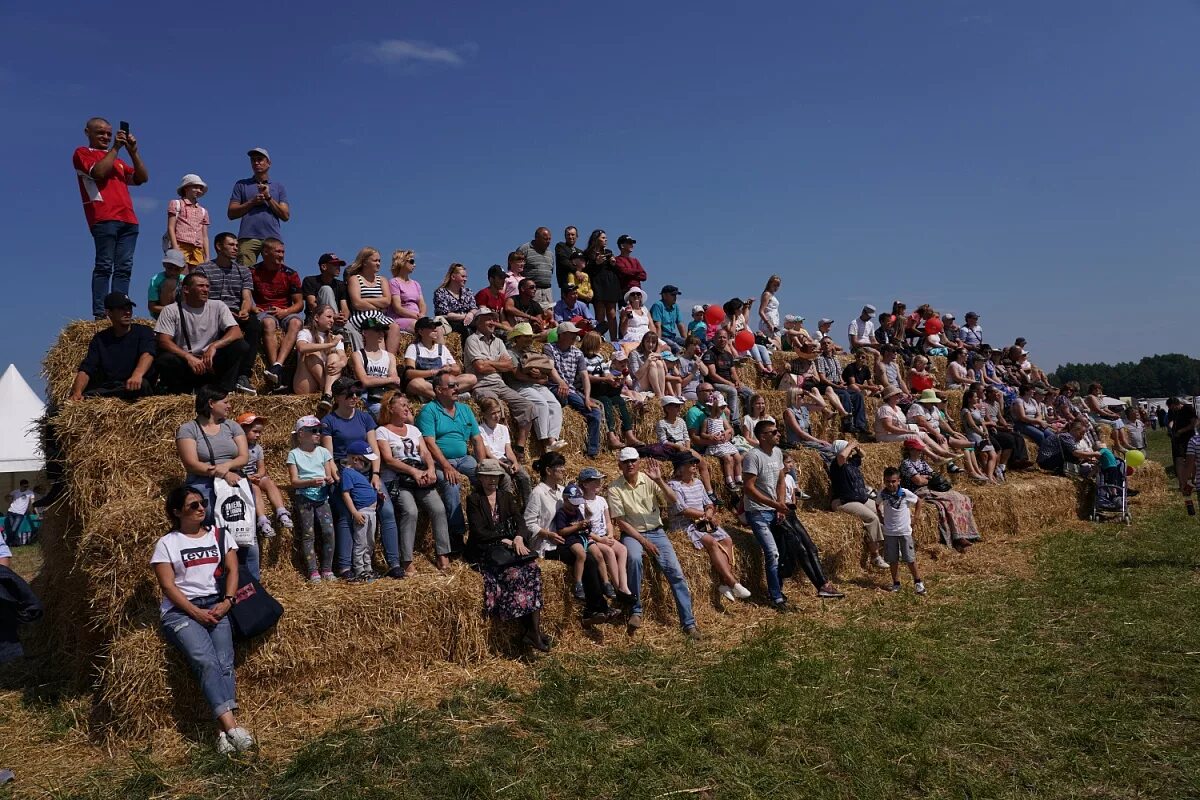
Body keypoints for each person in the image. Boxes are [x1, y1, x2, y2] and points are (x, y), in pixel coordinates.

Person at [152, 485, 254, 754]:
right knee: (205, 660)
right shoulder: (167, 544)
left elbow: (233, 570)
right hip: (180, 611)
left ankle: (222, 734)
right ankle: (233, 728)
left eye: (203, 503)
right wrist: (194, 612)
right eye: (193, 505)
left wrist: (228, 601)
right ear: (177, 512)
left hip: (217, 605)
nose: (201, 509)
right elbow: (168, 586)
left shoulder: (220, 535)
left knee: (224, 664)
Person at [608, 450, 700, 638]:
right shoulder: (614, 488)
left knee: (675, 572)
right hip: (632, 534)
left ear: (638, 462)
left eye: (633, 460)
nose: (630, 464)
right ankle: (636, 610)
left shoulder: (650, 480)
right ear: (620, 465)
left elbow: (673, 500)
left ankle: (689, 623)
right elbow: (621, 522)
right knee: (634, 559)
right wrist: (644, 541)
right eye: (626, 462)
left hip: (657, 532)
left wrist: (659, 480)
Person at [320, 377, 405, 580]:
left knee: (387, 511)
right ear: (337, 397)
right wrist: (337, 477)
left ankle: (394, 563)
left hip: (367, 472)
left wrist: (375, 474)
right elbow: (328, 455)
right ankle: (345, 567)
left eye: (357, 394)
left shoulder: (365, 418)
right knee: (345, 514)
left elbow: (374, 449)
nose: (355, 397)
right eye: (349, 394)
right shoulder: (329, 421)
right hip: (345, 472)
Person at [523, 452, 620, 627]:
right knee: (587, 559)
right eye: (559, 467)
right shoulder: (538, 493)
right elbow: (528, 523)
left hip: (568, 538)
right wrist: (548, 534)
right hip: (548, 544)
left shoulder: (563, 491)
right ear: (548, 471)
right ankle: (595, 609)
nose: (563, 470)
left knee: (593, 556)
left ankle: (599, 606)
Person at [467, 459, 551, 651]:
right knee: (515, 575)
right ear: (480, 478)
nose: (492, 480)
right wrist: (505, 538)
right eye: (488, 476)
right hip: (486, 550)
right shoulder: (474, 499)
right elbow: (478, 531)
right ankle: (532, 632)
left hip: (508, 548)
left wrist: (519, 537)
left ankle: (534, 631)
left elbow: (520, 520)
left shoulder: (505, 496)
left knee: (533, 570)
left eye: (496, 477)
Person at [74, 117, 149, 320]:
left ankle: (120, 309)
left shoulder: (118, 161)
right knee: (104, 265)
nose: (106, 136)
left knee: (124, 268)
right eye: (100, 132)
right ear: (87, 132)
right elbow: (98, 173)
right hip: (104, 217)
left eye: (108, 133)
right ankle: (101, 313)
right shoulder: (82, 153)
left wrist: (133, 151)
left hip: (128, 219)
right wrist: (116, 148)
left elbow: (142, 178)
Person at [376, 392, 452, 574]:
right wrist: (413, 472)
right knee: (410, 511)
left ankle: (442, 553)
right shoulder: (382, 431)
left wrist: (430, 469)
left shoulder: (413, 430)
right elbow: (389, 459)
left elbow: (425, 452)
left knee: (438, 508)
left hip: (420, 475)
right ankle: (406, 559)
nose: (407, 408)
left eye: (407, 404)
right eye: (403, 405)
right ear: (390, 408)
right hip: (399, 479)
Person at [661, 452, 749, 602]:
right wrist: (705, 514)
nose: (695, 465)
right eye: (691, 463)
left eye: (695, 463)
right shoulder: (673, 485)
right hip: (685, 524)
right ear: (680, 468)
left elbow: (708, 502)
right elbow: (683, 510)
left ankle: (724, 584)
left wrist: (709, 511)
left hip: (702, 521)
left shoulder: (698, 483)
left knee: (727, 540)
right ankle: (732, 581)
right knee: (711, 542)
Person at [415, 371, 487, 551]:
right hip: (440, 461)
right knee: (452, 483)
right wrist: (446, 466)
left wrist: (483, 465)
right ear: (439, 390)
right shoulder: (429, 411)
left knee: (490, 479)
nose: (457, 389)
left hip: (464, 459)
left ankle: (488, 526)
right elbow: (429, 443)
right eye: (452, 386)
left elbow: (477, 439)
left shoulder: (465, 409)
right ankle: (456, 535)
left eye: (457, 385)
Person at [154, 273, 251, 394]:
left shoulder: (218, 306)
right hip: (186, 363)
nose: (206, 290)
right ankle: (179, 392)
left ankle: (224, 391)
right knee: (166, 359)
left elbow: (236, 332)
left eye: (207, 286)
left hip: (210, 362)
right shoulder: (171, 310)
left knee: (240, 346)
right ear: (186, 289)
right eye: (200, 286)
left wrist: (214, 346)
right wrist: (188, 357)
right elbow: (163, 340)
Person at [175, 386, 249, 535]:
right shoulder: (188, 429)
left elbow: (244, 457)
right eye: (225, 402)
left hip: (235, 477)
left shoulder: (232, 426)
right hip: (203, 480)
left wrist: (227, 466)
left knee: (246, 518)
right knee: (207, 509)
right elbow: (191, 464)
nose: (229, 406)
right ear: (211, 403)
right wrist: (224, 473)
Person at [193, 233, 259, 394]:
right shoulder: (204, 269)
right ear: (219, 247)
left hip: (236, 312)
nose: (236, 248)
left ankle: (244, 375)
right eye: (231, 245)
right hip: (212, 312)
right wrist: (223, 311)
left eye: (237, 245)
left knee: (255, 325)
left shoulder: (243, 271)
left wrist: (244, 310)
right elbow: (200, 297)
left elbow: (246, 297)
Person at [465, 309, 535, 457]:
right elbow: (480, 367)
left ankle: (519, 448)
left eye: (493, 319)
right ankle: (498, 452)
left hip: (500, 384)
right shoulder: (472, 340)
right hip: (482, 384)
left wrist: (489, 362)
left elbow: (509, 365)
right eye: (488, 319)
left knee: (528, 406)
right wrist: (498, 363)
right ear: (478, 322)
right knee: (497, 408)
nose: (492, 322)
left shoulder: (498, 342)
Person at [741, 420, 793, 611]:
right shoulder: (753, 456)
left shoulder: (778, 452)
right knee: (772, 553)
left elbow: (781, 481)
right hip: (757, 511)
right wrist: (774, 504)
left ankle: (778, 589)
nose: (778, 434)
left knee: (782, 551)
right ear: (763, 436)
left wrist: (780, 506)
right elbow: (748, 488)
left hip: (773, 509)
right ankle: (775, 596)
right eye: (774, 432)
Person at [69, 292, 156, 401]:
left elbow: (147, 354)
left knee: (141, 385)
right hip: (111, 388)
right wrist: (77, 392)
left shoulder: (144, 331)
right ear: (108, 312)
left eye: (129, 308)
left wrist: (137, 374)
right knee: (84, 398)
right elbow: (86, 369)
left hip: (135, 386)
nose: (128, 312)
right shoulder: (100, 339)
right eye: (121, 309)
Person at [899, 438, 982, 551]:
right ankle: (958, 537)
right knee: (949, 502)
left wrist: (926, 478)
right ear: (910, 450)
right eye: (917, 449)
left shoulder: (922, 462)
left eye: (920, 449)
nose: (920, 451)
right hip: (918, 491)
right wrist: (927, 478)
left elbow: (933, 475)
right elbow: (918, 481)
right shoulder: (906, 463)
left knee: (962, 498)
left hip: (931, 487)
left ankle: (968, 532)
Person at [286, 415, 337, 582]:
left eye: (319, 431)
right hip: (304, 498)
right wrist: (310, 482)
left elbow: (329, 474)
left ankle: (327, 569)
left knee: (328, 532)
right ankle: (313, 571)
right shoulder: (294, 454)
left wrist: (329, 479)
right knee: (309, 534)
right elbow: (294, 481)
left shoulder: (323, 452)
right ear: (301, 434)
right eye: (314, 430)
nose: (318, 434)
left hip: (322, 497)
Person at [544, 321, 604, 458]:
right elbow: (550, 368)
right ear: (562, 335)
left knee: (595, 412)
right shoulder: (549, 348)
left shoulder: (577, 353)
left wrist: (587, 398)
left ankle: (592, 451)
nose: (575, 336)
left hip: (570, 390)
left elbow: (585, 377)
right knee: (562, 399)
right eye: (571, 334)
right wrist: (560, 382)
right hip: (553, 386)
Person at [250, 238, 304, 387]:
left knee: (296, 322)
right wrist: (252, 308)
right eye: (278, 251)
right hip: (264, 311)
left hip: (285, 310)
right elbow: (245, 296)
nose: (281, 255)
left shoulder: (290, 274)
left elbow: (299, 304)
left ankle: (277, 366)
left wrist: (285, 311)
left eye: (283, 252)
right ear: (265, 252)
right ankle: (275, 371)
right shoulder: (253, 272)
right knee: (268, 323)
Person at [506, 323, 567, 453]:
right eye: (526, 336)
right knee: (541, 403)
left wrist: (540, 374)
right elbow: (517, 375)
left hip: (536, 385)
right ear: (517, 338)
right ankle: (545, 442)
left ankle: (553, 440)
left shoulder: (533, 352)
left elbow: (546, 369)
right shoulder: (510, 353)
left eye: (530, 336)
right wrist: (538, 379)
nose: (529, 339)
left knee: (555, 405)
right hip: (519, 386)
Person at [829, 439, 888, 570]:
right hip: (844, 501)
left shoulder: (851, 463)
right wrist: (851, 445)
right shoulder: (836, 465)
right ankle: (875, 556)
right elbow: (842, 456)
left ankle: (889, 548)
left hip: (861, 498)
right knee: (872, 518)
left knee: (884, 512)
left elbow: (863, 455)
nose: (851, 451)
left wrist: (857, 448)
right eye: (847, 448)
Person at [227, 147, 289, 267]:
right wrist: (252, 202)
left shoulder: (278, 187)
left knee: (276, 272)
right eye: (253, 160)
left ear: (268, 163)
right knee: (245, 272)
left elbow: (285, 215)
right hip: (248, 236)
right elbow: (231, 213)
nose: (256, 163)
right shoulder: (241, 185)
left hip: (273, 237)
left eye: (260, 159)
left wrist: (268, 198)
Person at [579, 331, 641, 450]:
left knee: (620, 401)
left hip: (602, 387)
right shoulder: (582, 358)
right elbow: (585, 377)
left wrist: (613, 380)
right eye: (599, 343)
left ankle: (629, 434)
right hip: (589, 389)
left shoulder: (599, 357)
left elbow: (606, 373)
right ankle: (611, 436)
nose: (601, 346)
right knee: (606, 402)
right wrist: (605, 379)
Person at [575, 468, 631, 600]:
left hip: (604, 536)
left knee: (622, 549)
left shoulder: (601, 500)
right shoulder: (581, 504)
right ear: (585, 484)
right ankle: (617, 587)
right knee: (609, 552)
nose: (599, 483)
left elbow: (608, 521)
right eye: (595, 481)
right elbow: (585, 530)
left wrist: (610, 534)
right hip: (592, 538)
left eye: (599, 480)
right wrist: (601, 540)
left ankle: (624, 586)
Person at [236, 413, 293, 538]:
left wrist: (259, 475)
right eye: (255, 431)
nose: (258, 435)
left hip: (254, 476)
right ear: (242, 430)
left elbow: (261, 467)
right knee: (255, 489)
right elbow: (233, 468)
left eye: (260, 432)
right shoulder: (235, 448)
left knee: (269, 482)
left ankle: (281, 512)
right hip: (242, 478)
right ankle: (263, 520)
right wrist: (247, 478)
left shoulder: (257, 448)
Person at [908, 389, 986, 480]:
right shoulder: (917, 407)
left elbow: (942, 422)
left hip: (935, 432)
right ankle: (950, 463)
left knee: (952, 438)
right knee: (943, 439)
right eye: (931, 402)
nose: (933, 403)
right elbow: (923, 423)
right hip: (925, 432)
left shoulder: (934, 408)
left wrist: (953, 432)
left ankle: (974, 444)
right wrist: (937, 434)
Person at [654, 395, 720, 502]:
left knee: (702, 463)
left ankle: (709, 492)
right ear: (667, 408)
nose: (679, 408)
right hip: (672, 449)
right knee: (687, 467)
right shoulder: (661, 423)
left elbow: (686, 437)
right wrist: (679, 447)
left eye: (678, 406)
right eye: (676, 406)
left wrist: (687, 449)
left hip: (684, 448)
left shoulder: (681, 421)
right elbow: (664, 441)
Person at [876, 467, 926, 595]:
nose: (890, 484)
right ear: (884, 481)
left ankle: (918, 582)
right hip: (890, 532)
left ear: (899, 480)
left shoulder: (905, 493)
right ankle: (896, 583)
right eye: (888, 481)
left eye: (893, 481)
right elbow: (877, 504)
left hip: (904, 531)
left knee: (910, 559)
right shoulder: (882, 494)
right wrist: (881, 517)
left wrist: (916, 517)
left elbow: (918, 501)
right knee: (893, 560)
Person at [403, 316, 477, 401]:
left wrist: (449, 369)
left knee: (472, 378)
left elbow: (457, 369)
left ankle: (435, 397)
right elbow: (409, 373)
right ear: (420, 331)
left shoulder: (442, 348)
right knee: (415, 383)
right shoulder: (413, 348)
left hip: (441, 384)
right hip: (425, 383)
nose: (435, 329)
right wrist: (433, 372)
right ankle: (449, 397)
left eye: (435, 327)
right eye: (431, 327)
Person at [346, 247, 401, 355]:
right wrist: (378, 306)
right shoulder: (355, 279)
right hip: (362, 316)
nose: (378, 263)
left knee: (395, 327)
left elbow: (387, 301)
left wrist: (365, 299)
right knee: (377, 328)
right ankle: (379, 359)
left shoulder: (382, 280)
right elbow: (357, 303)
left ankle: (390, 358)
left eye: (379, 261)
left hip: (380, 316)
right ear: (364, 262)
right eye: (375, 260)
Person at [476, 396, 533, 501]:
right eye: (493, 413)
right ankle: (507, 505)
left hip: (505, 460)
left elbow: (508, 450)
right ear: (484, 414)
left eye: (498, 412)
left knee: (525, 477)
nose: (497, 415)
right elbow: (488, 453)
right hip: (493, 462)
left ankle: (528, 506)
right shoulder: (480, 430)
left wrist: (515, 462)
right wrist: (504, 465)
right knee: (506, 479)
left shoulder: (503, 428)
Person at [340, 441, 380, 582]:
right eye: (366, 462)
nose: (368, 465)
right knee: (361, 542)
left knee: (370, 542)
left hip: (372, 512)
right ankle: (359, 569)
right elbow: (346, 494)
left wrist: (377, 495)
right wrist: (354, 513)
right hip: (362, 512)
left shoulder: (359, 474)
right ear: (356, 459)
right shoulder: (347, 473)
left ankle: (368, 568)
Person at [292, 304, 346, 402]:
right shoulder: (305, 332)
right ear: (317, 317)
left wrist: (341, 364)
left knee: (334, 356)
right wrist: (331, 345)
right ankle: (326, 387)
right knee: (312, 354)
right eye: (329, 317)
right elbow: (302, 347)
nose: (332, 320)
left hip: (329, 379)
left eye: (333, 318)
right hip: (306, 385)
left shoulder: (334, 338)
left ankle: (327, 395)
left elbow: (343, 356)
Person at [814, 337, 867, 433]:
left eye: (828, 343)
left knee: (858, 395)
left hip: (838, 384)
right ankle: (848, 424)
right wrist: (838, 386)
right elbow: (823, 379)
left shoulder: (835, 359)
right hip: (827, 386)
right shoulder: (820, 359)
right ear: (821, 346)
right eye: (824, 343)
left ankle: (861, 425)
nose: (826, 345)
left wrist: (842, 383)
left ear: (832, 345)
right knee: (844, 394)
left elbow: (840, 375)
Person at [350, 317, 402, 416]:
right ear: (364, 333)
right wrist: (388, 379)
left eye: (382, 331)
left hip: (388, 396)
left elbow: (395, 381)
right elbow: (364, 382)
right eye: (376, 330)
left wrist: (372, 379)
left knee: (408, 418)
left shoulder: (390, 356)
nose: (381, 333)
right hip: (370, 397)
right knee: (385, 414)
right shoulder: (357, 355)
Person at [703, 329, 753, 421]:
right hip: (715, 384)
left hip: (729, 383)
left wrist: (737, 381)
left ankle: (751, 419)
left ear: (727, 339)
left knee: (750, 393)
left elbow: (733, 372)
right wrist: (729, 383)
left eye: (724, 337)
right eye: (720, 337)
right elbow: (712, 375)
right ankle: (734, 420)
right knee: (732, 391)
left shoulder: (728, 355)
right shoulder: (709, 354)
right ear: (714, 339)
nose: (722, 339)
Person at [584, 230, 620, 341]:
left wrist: (613, 263)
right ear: (596, 239)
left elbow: (615, 270)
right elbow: (586, 271)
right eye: (603, 238)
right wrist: (596, 263)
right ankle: (599, 339)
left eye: (605, 237)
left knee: (612, 313)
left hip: (610, 284)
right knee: (600, 313)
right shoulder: (588, 253)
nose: (606, 240)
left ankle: (614, 340)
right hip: (597, 284)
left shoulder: (608, 252)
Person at [167, 174, 211, 267]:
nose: (198, 190)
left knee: (198, 273)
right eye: (195, 187)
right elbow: (171, 227)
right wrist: (175, 247)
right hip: (181, 244)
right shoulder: (177, 204)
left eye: (200, 188)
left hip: (198, 249)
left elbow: (205, 236)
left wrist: (207, 256)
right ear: (186, 188)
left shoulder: (203, 211)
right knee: (180, 271)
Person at [782, 387, 836, 459]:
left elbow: (822, 405)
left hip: (807, 441)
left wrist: (810, 394)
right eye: (802, 395)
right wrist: (818, 441)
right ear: (794, 396)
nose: (804, 396)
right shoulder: (789, 412)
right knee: (830, 449)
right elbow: (800, 432)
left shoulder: (804, 407)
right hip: (798, 443)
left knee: (833, 448)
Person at [301, 253, 351, 331]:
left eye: (339, 265)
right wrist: (332, 316)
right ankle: (337, 329)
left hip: (338, 323)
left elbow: (345, 307)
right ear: (324, 267)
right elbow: (312, 304)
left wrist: (343, 319)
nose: (338, 267)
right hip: (316, 322)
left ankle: (339, 329)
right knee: (326, 289)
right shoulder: (310, 281)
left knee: (354, 332)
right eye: (335, 265)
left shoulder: (341, 285)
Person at [432, 263, 479, 338]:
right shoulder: (440, 292)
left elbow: (474, 308)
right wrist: (465, 316)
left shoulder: (468, 291)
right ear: (453, 277)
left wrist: (471, 314)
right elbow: (445, 314)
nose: (465, 279)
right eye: (463, 276)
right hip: (449, 323)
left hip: (468, 321)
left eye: (466, 277)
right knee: (465, 330)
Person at [516, 227, 556, 308]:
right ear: (537, 238)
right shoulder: (525, 249)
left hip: (547, 292)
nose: (548, 241)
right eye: (545, 239)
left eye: (549, 239)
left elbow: (551, 270)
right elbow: (516, 269)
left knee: (549, 314)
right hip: (532, 292)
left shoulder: (550, 253)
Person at [386, 249, 425, 332]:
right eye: (412, 261)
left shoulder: (416, 284)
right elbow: (398, 308)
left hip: (417, 318)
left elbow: (422, 304)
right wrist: (418, 317)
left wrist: (422, 315)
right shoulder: (394, 282)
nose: (414, 265)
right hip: (400, 318)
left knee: (437, 328)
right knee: (422, 327)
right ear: (402, 262)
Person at [628, 330, 673, 399]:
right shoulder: (634, 354)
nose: (650, 345)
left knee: (658, 363)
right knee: (652, 364)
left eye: (653, 342)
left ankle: (661, 394)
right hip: (639, 384)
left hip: (651, 385)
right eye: (648, 342)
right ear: (643, 342)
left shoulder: (654, 354)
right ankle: (659, 395)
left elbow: (666, 372)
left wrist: (661, 359)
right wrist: (648, 361)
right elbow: (636, 375)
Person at [1168, 397, 1197, 491]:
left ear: (1177, 404)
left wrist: (1181, 431)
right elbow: (1171, 421)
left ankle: (1194, 479)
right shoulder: (1172, 411)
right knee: (1179, 459)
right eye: (1170, 408)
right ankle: (1182, 483)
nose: (1172, 409)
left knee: (1192, 459)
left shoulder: (1188, 408)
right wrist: (1170, 427)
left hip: (1189, 437)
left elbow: (1193, 424)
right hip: (1178, 439)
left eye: (1173, 407)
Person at [148, 249, 187, 318]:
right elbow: (152, 306)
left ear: (183, 268)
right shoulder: (156, 280)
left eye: (177, 269)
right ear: (164, 264)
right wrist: (172, 311)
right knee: (170, 283)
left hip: (180, 312)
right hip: (161, 313)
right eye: (170, 268)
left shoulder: (184, 279)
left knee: (187, 285)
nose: (173, 272)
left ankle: (183, 314)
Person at [650, 284, 686, 351]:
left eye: (676, 295)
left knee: (691, 344)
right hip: (662, 337)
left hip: (672, 337)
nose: (675, 297)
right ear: (664, 295)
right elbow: (657, 326)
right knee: (677, 348)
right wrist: (658, 344)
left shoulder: (675, 306)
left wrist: (688, 342)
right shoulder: (658, 305)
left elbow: (680, 324)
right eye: (673, 295)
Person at [618, 287, 653, 351]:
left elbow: (652, 326)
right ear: (629, 297)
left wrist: (655, 338)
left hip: (647, 335)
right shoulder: (625, 310)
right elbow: (623, 331)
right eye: (633, 294)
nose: (636, 296)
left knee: (666, 347)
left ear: (641, 297)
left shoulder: (645, 309)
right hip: (633, 336)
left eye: (638, 294)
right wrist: (627, 317)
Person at [4, 482, 35, 549]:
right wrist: (8, 499)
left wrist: (35, 511)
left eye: (27, 486)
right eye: (24, 486)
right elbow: (7, 496)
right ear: (20, 485)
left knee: (13, 529)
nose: (26, 488)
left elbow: (33, 502)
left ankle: (9, 542)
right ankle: (15, 543)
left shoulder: (30, 493)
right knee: (13, 529)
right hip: (11, 512)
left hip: (20, 514)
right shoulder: (15, 491)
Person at [554, 226, 584, 290]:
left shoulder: (580, 252)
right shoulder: (560, 246)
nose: (570, 237)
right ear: (565, 236)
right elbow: (564, 261)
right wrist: (576, 271)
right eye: (568, 235)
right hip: (567, 285)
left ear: (577, 236)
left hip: (581, 285)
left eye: (572, 234)